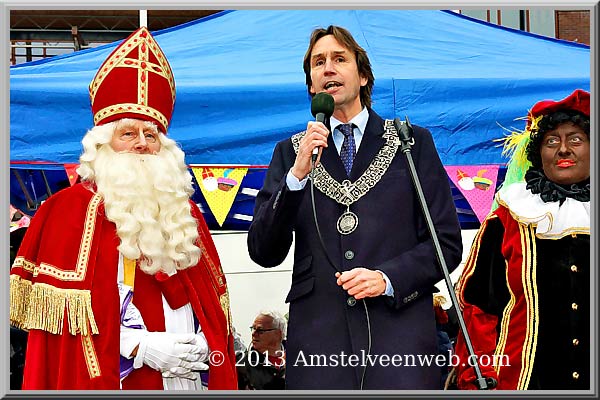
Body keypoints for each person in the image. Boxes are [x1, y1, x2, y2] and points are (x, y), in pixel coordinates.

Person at [9, 26, 238, 390]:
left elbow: (211, 304)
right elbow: (67, 329)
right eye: (129, 134)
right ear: (103, 145)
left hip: (188, 377)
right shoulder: (65, 210)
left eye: (151, 136)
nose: (143, 144)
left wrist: (202, 340)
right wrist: (140, 346)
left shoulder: (186, 214)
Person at [247, 25, 462, 389]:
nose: (327, 68)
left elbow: (446, 244)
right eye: (318, 63)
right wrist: (296, 177)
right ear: (312, 86)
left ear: (363, 76)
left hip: (400, 341)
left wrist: (387, 278)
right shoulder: (291, 152)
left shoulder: (411, 143)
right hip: (319, 346)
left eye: (338, 59)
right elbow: (263, 251)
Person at [453, 89, 590, 390]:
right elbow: (479, 311)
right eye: (551, 141)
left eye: (576, 139)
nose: (563, 149)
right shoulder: (509, 217)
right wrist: (478, 378)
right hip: (521, 382)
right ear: (537, 152)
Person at [237, 310, 287, 390]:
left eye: (260, 330)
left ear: (278, 334)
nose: (253, 333)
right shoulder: (242, 365)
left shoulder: (300, 360)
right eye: (253, 328)